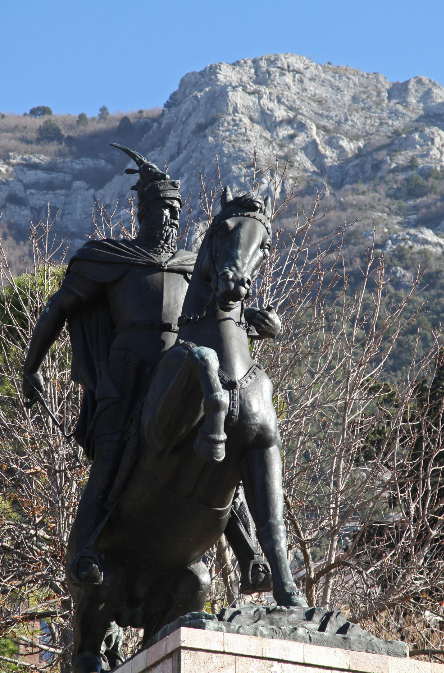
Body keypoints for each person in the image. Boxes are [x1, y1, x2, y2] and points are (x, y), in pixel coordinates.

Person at [23, 143, 281, 586]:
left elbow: (216, 314)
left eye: (176, 212)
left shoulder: (190, 266)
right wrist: (31, 366)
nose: (170, 221)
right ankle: (85, 550)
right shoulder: (110, 260)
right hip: (126, 375)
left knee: (232, 444)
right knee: (110, 458)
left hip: (181, 372)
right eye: (161, 211)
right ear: (142, 213)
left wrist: (252, 320)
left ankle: (248, 551)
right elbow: (57, 309)